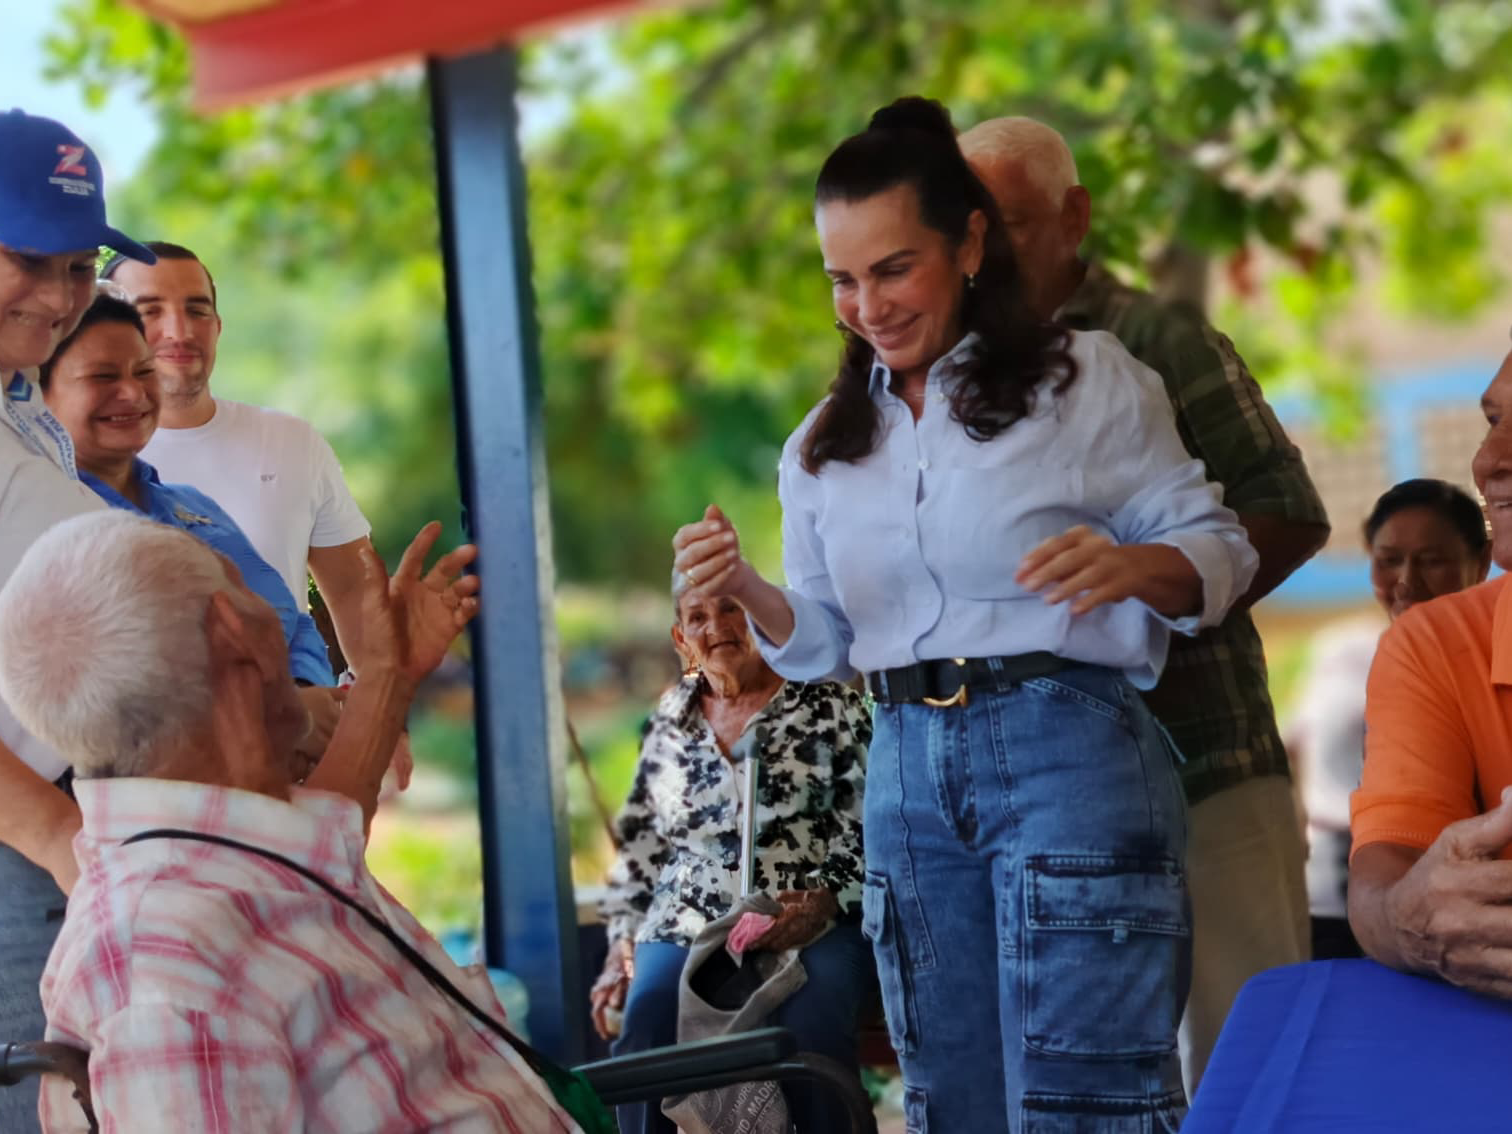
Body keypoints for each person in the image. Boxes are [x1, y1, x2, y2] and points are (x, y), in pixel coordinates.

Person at [674, 97, 1257, 1132]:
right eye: (843, 280)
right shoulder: (820, 447)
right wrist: (750, 594)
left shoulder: (1087, 383)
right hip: (903, 773)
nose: (868, 305)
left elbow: (1222, 546)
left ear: (971, 243)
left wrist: (1132, 564)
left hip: (1069, 749)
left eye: (894, 268)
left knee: (1089, 1099)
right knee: (950, 1102)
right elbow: (828, 646)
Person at [958, 114, 1330, 1091]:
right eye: (969, 231)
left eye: (1012, 224)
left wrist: (1156, 586)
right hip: (1055, 796)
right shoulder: (958, 374)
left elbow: (1288, 515)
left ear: (1075, 215)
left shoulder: (1160, 340)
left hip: (1205, 761)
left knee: (1246, 1059)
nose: (985, 254)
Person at [0, 510, 579, 1132]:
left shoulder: (219, 844)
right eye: (248, 588)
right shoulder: (165, 978)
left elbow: (325, 832)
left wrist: (389, 675)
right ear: (233, 632)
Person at [0, 107, 156, 1132]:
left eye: (82, 266)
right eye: (31, 260)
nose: (62, 298)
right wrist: (59, 838)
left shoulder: (20, 404)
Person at [592, 573, 872, 1134]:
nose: (716, 627)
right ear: (681, 639)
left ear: (763, 619)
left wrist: (824, 900)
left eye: (732, 610)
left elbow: (871, 825)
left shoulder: (831, 705)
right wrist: (620, 950)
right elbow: (640, 852)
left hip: (806, 914)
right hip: (687, 924)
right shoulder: (669, 720)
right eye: (698, 617)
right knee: (648, 1018)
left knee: (812, 1018)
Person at [100, 242, 374, 669]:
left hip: (299, 724)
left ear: (219, 326)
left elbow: (356, 591)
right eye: (149, 310)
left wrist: (383, 713)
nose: (179, 331)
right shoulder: (77, 460)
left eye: (197, 310)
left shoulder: (291, 441)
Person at [1349, 347, 1512, 998]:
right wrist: (1410, 915)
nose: (1490, 460)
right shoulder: (1434, 645)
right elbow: (1384, 882)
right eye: (1493, 419)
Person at [1289, 479, 1489, 960]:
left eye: (1433, 560)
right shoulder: (1339, 650)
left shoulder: (1488, 668)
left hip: (1440, 892)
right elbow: (1296, 748)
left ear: (1481, 563)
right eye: (1389, 559)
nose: (1406, 580)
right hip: (1327, 893)